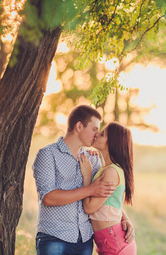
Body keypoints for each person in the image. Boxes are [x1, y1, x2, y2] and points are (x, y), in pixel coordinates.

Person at [32, 105, 134, 255]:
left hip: (85, 240)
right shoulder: (48, 154)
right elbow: (48, 198)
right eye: (94, 129)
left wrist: (124, 218)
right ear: (79, 126)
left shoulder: (93, 159)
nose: (97, 134)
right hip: (55, 237)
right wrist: (89, 189)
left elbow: (104, 194)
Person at [79, 121, 137, 255]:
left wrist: (87, 176)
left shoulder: (111, 172)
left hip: (115, 244)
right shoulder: (106, 169)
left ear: (111, 143)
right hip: (109, 242)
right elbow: (110, 202)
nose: (97, 134)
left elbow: (89, 208)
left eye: (102, 134)